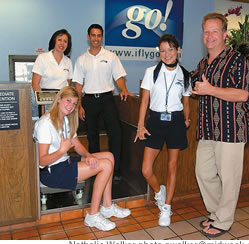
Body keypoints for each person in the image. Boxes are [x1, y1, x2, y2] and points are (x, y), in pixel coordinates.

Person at [33, 86, 131, 231]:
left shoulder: (64, 120)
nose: (71, 106)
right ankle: (92, 215)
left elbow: (77, 145)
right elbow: (42, 161)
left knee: (109, 156)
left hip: (63, 163)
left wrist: (89, 156)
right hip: (51, 172)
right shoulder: (45, 124)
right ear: (59, 100)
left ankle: (108, 206)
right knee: (105, 165)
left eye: (74, 104)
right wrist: (62, 150)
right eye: (68, 101)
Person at [191, 13, 249, 238]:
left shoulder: (238, 60)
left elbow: (243, 94)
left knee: (229, 178)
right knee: (203, 172)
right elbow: (194, 84)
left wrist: (210, 90)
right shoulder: (202, 63)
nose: (210, 36)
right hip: (208, 130)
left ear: (224, 34)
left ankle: (224, 220)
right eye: (206, 31)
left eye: (215, 31)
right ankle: (218, 212)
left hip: (231, 130)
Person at [134, 34, 191, 226]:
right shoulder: (151, 72)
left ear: (178, 50)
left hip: (175, 121)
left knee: (172, 166)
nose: (166, 54)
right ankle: (159, 192)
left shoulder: (185, 75)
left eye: (170, 49)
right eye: (163, 50)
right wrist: (141, 125)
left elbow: (186, 100)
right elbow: (144, 101)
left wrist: (187, 118)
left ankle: (166, 208)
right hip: (155, 120)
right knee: (146, 169)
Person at [73, 24, 133, 181]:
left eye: (99, 35)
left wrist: (124, 90)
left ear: (102, 37)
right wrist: (79, 105)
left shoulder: (111, 56)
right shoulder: (81, 60)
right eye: (93, 35)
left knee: (116, 133)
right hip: (89, 100)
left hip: (107, 99)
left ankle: (116, 169)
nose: (96, 38)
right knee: (92, 136)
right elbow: (78, 85)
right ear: (88, 37)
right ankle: (95, 169)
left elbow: (118, 76)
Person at [32, 29, 73, 116]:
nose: (62, 43)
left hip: (63, 99)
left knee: (62, 127)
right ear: (54, 41)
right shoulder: (42, 58)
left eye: (65, 41)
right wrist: (42, 104)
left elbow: (68, 83)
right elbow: (35, 83)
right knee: (47, 126)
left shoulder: (68, 62)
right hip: (46, 98)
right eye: (59, 40)